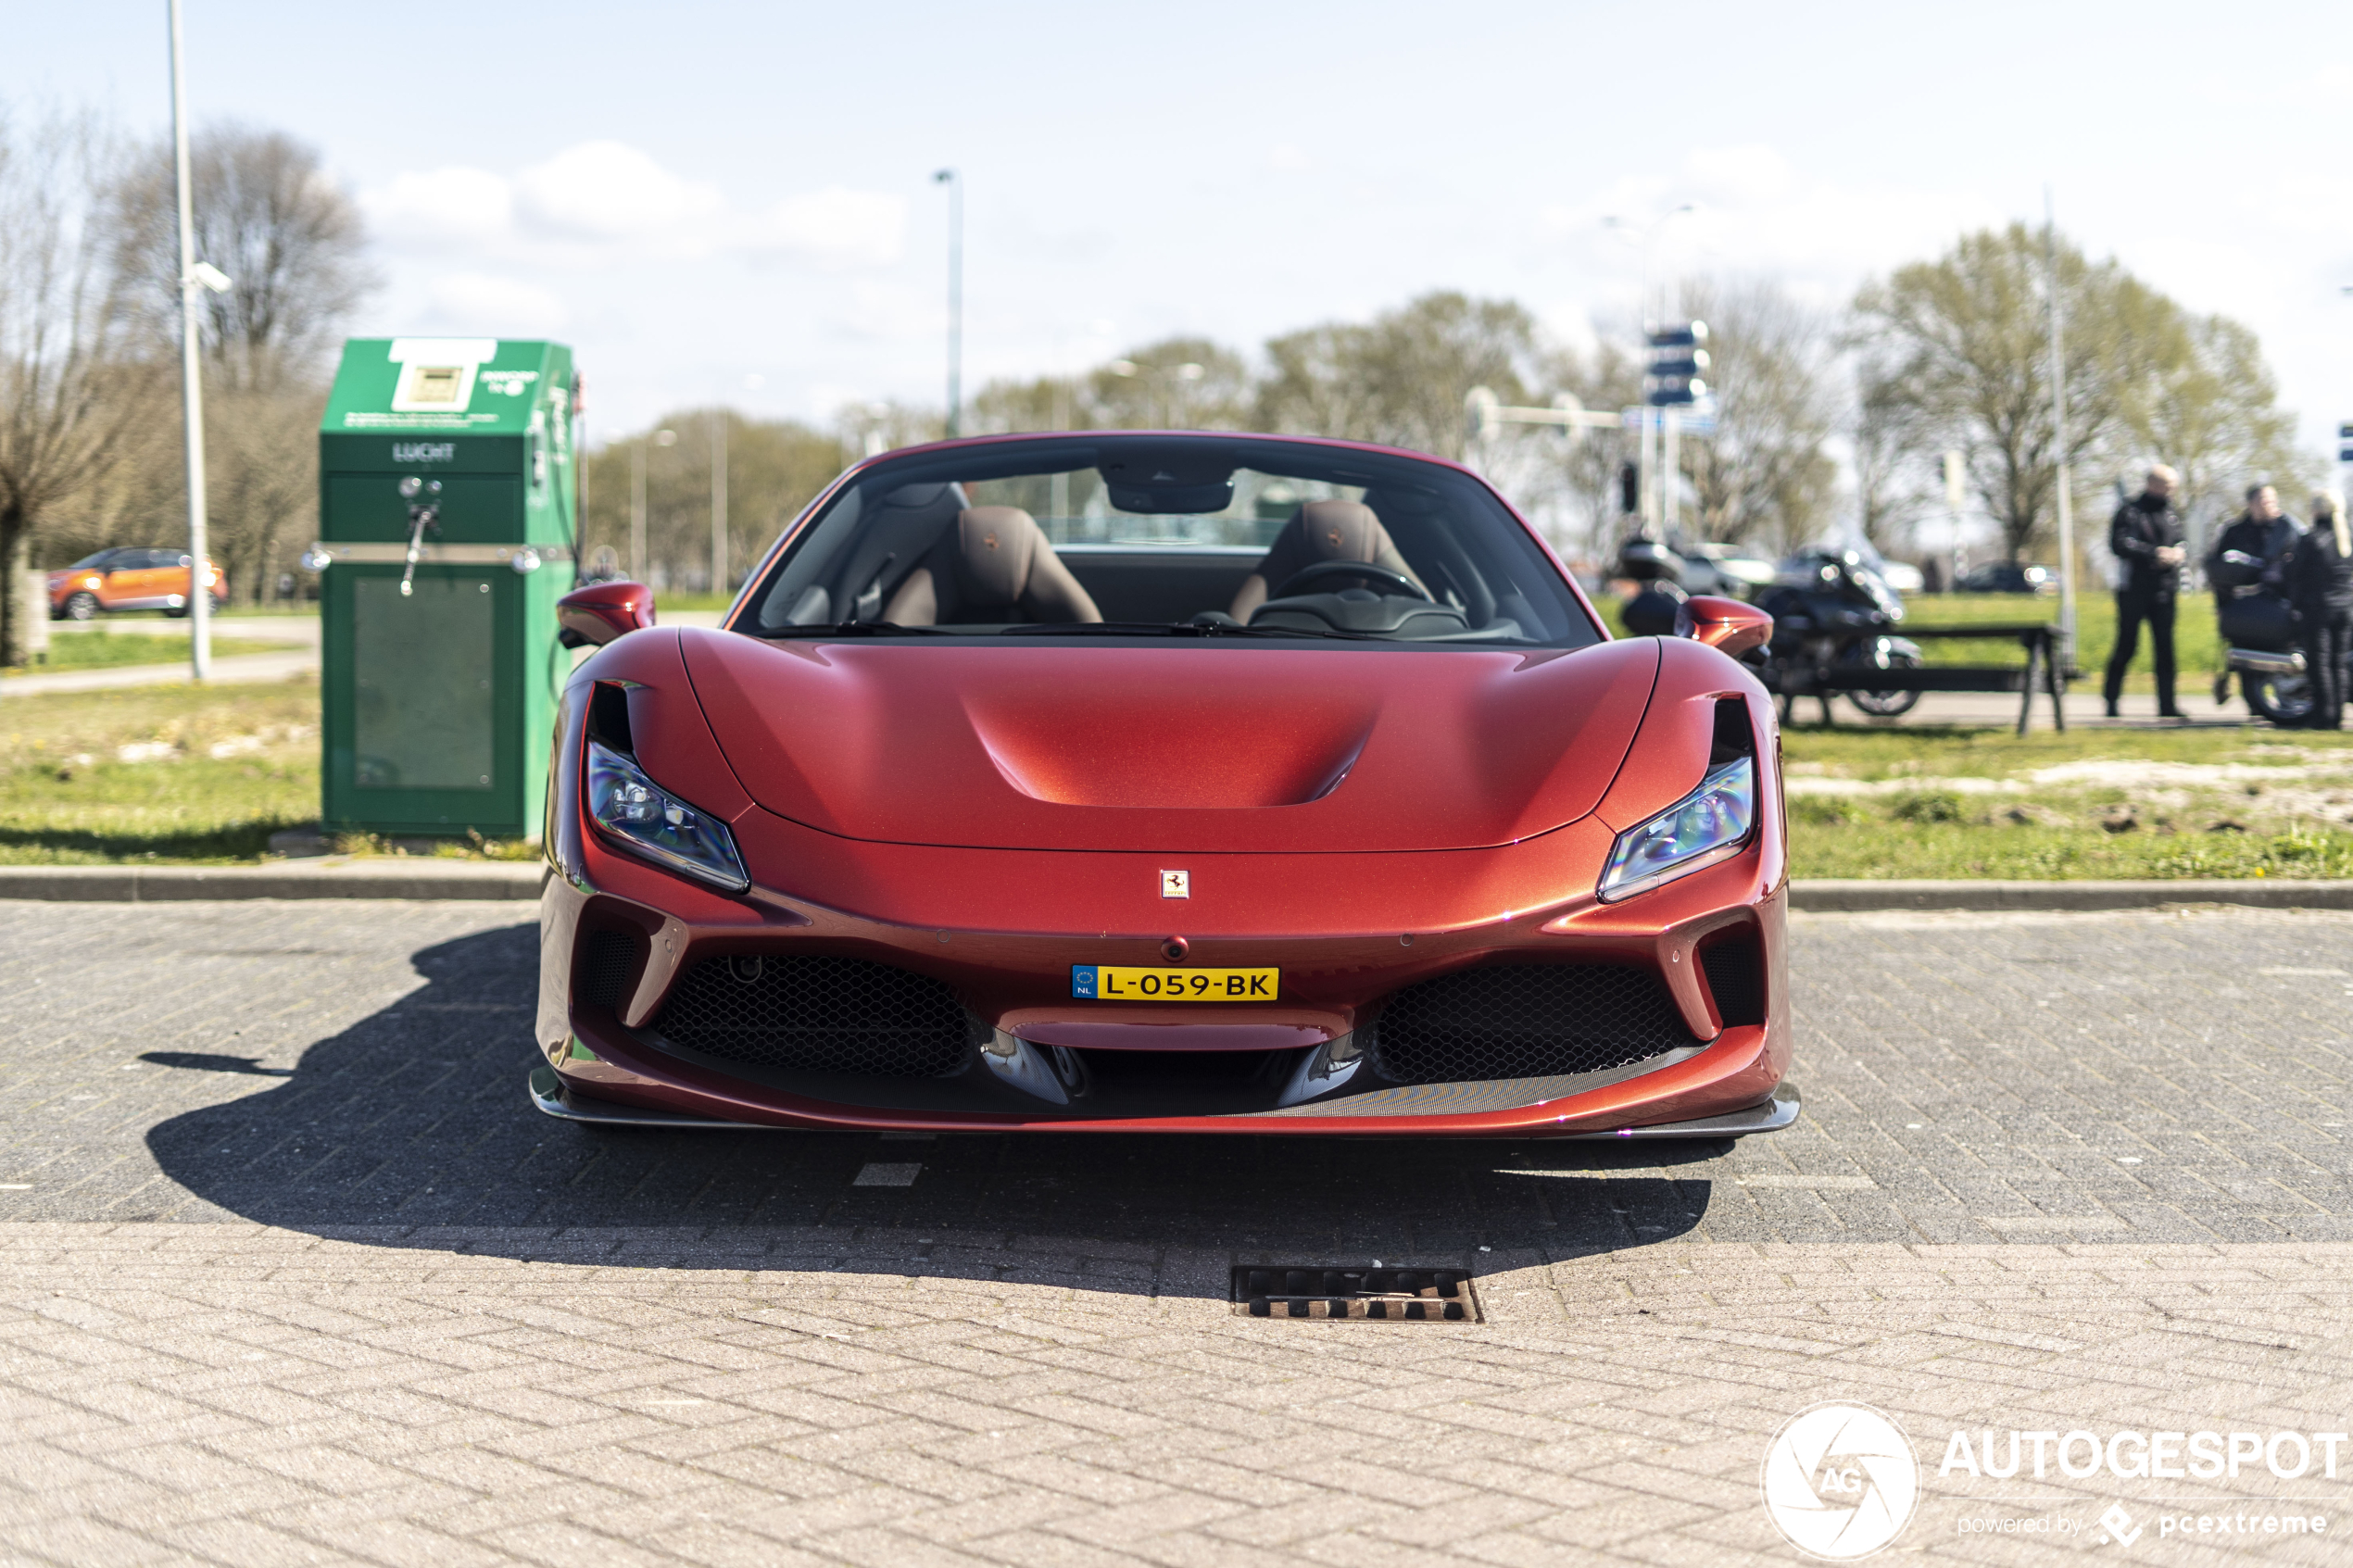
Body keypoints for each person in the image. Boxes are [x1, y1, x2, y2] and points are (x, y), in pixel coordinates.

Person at [2105, 463, 2187, 720]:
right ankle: (2111, 701)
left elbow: (2180, 540)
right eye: (2168, 485)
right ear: (2153, 484)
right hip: (2134, 590)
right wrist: (2153, 553)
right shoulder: (2130, 511)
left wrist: (2178, 553)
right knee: (2127, 645)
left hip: (2165, 588)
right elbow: (2119, 544)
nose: (2172, 491)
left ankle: (2167, 705)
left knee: (2166, 648)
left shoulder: (2172, 512)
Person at [2206, 483, 2300, 702]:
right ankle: (2253, 702)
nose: (2270, 505)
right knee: (2246, 655)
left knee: (2280, 650)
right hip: (2244, 604)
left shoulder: (2286, 530)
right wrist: (2221, 606)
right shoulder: (2234, 532)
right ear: (2251, 504)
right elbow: (2219, 571)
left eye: (2273, 500)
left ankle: (2282, 699)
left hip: (2277, 603)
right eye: (2264, 500)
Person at [2287, 491, 2353, 730]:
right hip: (2345, 609)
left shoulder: (2312, 539)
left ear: (2316, 510)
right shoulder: (2346, 538)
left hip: (2318, 609)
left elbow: (2294, 572)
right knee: (2339, 664)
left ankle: (2324, 717)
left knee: (2320, 664)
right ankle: (2337, 716)